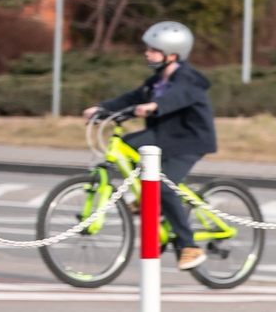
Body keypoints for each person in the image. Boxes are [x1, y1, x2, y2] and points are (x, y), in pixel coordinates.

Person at [88, 21, 217, 270]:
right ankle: (146, 197)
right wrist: (102, 108)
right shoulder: (156, 80)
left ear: (172, 54)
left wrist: (155, 106)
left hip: (188, 141)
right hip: (163, 136)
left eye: (153, 50)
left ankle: (189, 246)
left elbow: (177, 96)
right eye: (147, 49)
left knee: (164, 187)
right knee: (126, 145)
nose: (147, 53)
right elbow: (131, 97)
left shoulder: (189, 79)